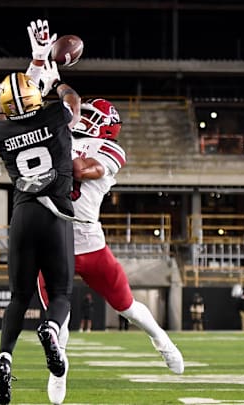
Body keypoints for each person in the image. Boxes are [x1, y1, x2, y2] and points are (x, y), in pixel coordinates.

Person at [37, 98, 184, 404]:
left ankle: (161, 340)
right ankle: (58, 372)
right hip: (52, 240)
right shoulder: (62, 136)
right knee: (56, 322)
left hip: (90, 243)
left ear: (105, 125)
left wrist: (58, 136)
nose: (81, 118)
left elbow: (82, 170)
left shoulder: (110, 150)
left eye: (90, 115)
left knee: (127, 306)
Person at [0, 19, 81, 405]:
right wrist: (53, 74)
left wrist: (36, 62)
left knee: (18, 297)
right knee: (60, 292)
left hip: (22, 215)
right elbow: (71, 105)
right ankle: (51, 330)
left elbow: (13, 109)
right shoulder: (55, 116)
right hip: (56, 211)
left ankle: (4, 359)